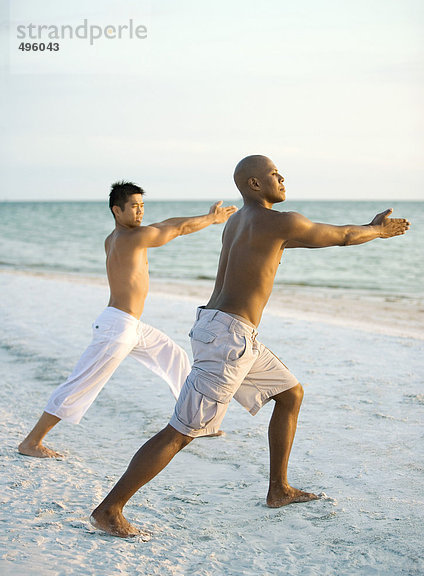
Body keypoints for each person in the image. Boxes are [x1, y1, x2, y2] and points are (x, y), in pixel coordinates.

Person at [90, 156, 410, 537]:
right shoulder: (280, 222)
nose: (282, 177)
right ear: (254, 184)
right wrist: (377, 230)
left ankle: (279, 488)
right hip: (229, 339)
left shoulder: (238, 222)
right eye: (275, 174)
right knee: (181, 431)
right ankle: (110, 508)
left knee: (290, 394)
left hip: (226, 331)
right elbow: (340, 236)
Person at [18, 181, 237, 458]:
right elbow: (177, 229)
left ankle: (199, 422)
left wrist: (204, 218)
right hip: (117, 328)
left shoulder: (117, 238)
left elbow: (166, 222)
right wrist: (211, 219)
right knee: (80, 384)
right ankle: (32, 442)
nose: (140, 212)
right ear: (116, 210)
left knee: (174, 356)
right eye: (134, 207)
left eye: (142, 206)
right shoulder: (131, 238)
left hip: (130, 326)